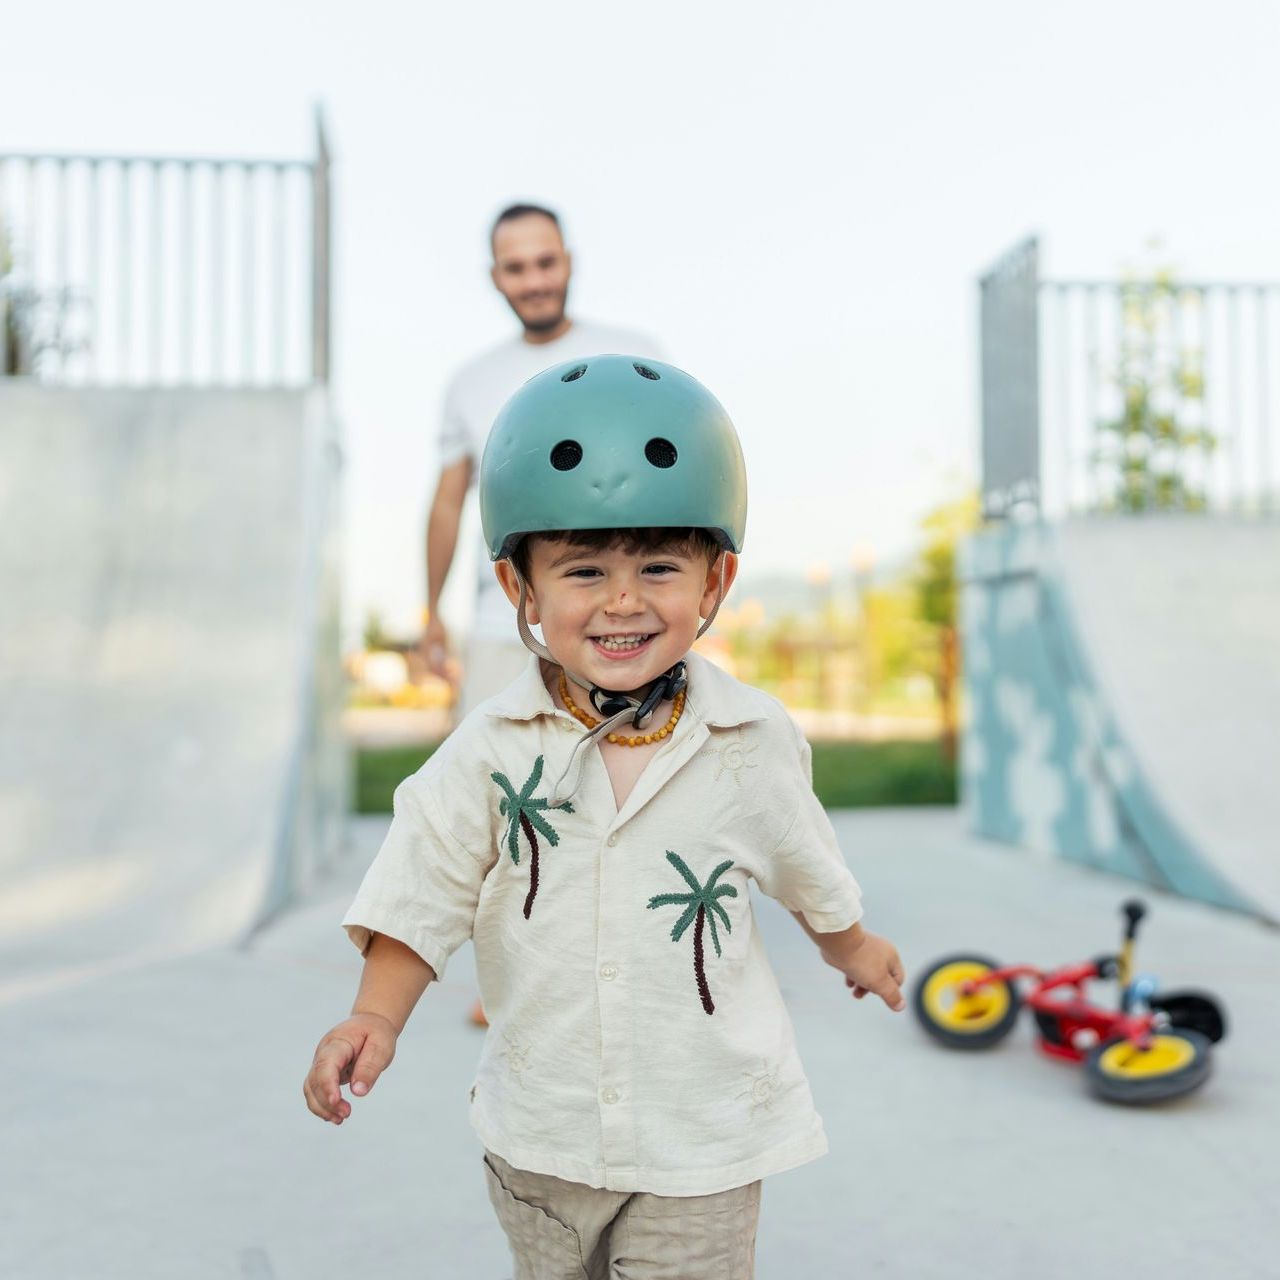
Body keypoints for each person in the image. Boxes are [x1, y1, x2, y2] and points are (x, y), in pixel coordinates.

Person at [304, 356, 906, 1278]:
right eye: (584, 570)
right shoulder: (490, 749)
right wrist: (374, 1019)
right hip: (541, 1140)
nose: (623, 601)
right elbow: (423, 889)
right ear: (520, 590)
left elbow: (803, 861)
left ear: (715, 583)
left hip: (702, 1141)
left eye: (659, 567)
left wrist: (852, 946)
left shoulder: (749, 739)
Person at [424, 202, 661, 717]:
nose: (533, 281)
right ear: (495, 276)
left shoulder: (635, 357)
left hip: (624, 621)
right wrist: (433, 612)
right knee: (491, 791)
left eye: (545, 262)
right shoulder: (469, 382)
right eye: (516, 267)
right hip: (504, 625)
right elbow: (447, 506)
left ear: (569, 262)